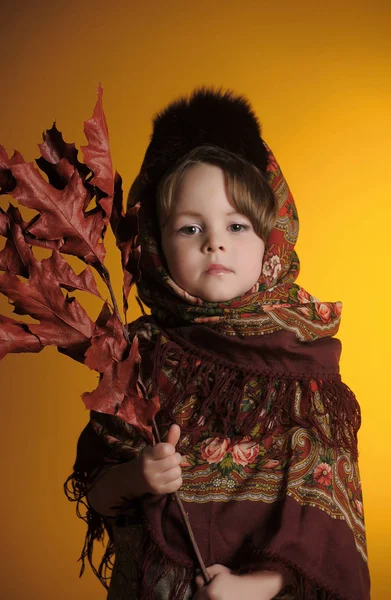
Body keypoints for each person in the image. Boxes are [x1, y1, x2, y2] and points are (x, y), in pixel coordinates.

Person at [65, 88, 370, 600]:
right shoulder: (133, 356)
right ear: (156, 245)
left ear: (272, 236)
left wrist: (255, 588)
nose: (215, 242)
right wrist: (136, 477)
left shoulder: (303, 364)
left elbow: (326, 523)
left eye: (237, 224)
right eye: (190, 228)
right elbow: (99, 493)